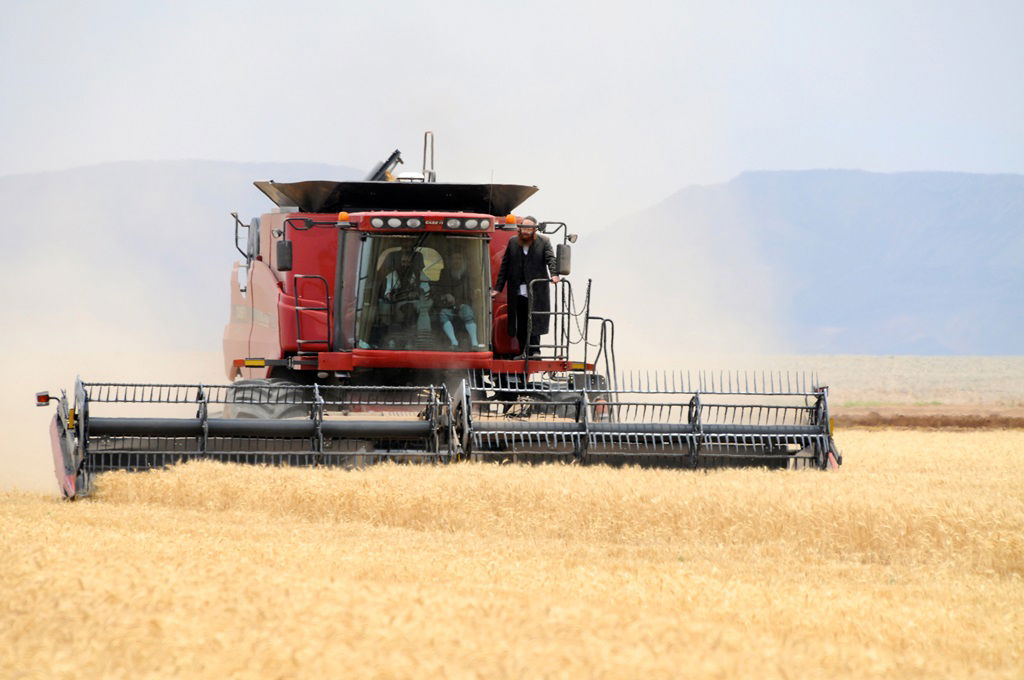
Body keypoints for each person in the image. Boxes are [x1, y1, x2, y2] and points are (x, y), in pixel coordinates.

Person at [492, 216, 560, 357]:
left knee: (534, 319)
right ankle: (523, 351)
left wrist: (554, 274)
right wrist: (498, 288)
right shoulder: (513, 242)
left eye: (529, 228)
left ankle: (535, 351)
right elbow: (505, 266)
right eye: (523, 228)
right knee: (520, 321)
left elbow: (550, 259)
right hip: (517, 289)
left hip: (536, 289)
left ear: (534, 230)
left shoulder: (544, 241)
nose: (526, 231)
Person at [436, 249, 482, 349]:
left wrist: (475, 293)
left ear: (464, 261)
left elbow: (472, 294)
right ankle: (454, 343)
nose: (456, 261)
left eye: (459, 258)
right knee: (443, 314)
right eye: (454, 259)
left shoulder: (469, 275)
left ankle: (474, 343)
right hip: (448, 307)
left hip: (464, 305)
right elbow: (438, 291)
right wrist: (446, 295)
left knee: (467, 312)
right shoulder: (444, 274)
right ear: (450, 261)